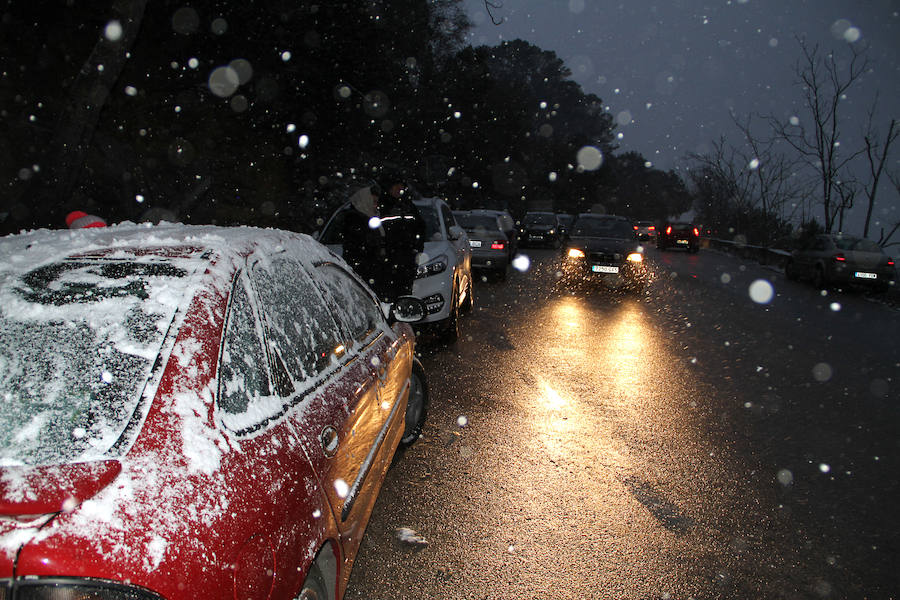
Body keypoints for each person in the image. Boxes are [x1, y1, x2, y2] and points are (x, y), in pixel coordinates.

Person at [377, 178, 426, 303]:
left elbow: (420, 228)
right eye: (396, 188)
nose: (399, 191)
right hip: (386, 262)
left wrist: (416, 249)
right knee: (387, 296)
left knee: (404, 296)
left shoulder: (408, 207)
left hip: (406, 261)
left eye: (401, 188)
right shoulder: (381, 206)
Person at [341, 183, 388, 296]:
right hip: (363, 273)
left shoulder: (372, 217)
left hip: (370, 272)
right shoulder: (356, 220)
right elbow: (362, 246)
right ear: (365, 201)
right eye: (374, 202)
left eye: (377, 202)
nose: (376, 206)